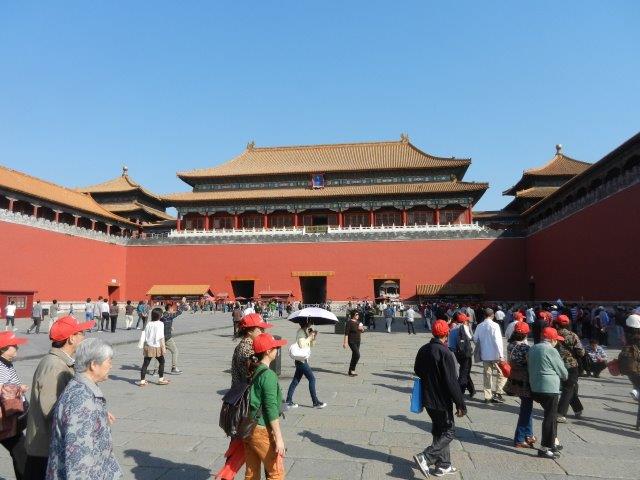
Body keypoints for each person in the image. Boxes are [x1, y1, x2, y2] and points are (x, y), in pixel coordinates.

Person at [24, 315, 94, 480]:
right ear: (71, 338)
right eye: (81, 333)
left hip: (50, 445)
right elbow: (52, 410)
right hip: (44, 448)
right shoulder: (55, 366)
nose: (84, 337)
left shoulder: (62, 362)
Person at [46, 338, 121, 479]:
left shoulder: (81, 388)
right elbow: (78, 458)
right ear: (93, 365)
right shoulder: (82, 400)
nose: (111, 366)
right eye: (109, 361)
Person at [413, 320, 466, 478]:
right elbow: (451, 381)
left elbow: (417, 369)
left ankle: (443, 465)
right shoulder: (445, 352)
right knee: (449, 431)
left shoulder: (424, 349)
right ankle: (426, 456)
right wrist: (460, 403)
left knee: (439, 430)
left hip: (427, 397)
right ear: (447, 333)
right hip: (441, 400)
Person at [244, 333, 287, 480]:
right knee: (276, 473)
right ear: (268, 351)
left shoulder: (254, 370)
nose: (278, 350)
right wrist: (279, 438)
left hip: (249, 426)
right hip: (261, 428)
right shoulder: (268, 375)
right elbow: (270, 408)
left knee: (252, 473)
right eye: (276, 348)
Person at [528, 327, 568, 459]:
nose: (557, 342)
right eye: (556, 340)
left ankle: (552, 443)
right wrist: (565, 376)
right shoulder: (551, 350)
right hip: (549, 388)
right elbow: (562, 371)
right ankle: (544, 448)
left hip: (535, 386)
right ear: (552, 340)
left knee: (551, 415)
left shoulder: (533, 348)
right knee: (550, 418)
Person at [0, 331, 29, 479]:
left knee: (20, 452)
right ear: (4, 348)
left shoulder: (6, 363)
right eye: (14, 345)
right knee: (20, 452)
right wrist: (18, 389)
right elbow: (1, 389)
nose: (17, 347)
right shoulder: (1, 367)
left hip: (9, 419)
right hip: (6, 420)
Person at [504, 322, 535, 448]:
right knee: (526, 409)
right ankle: (520, 438)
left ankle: (529, 434)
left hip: (514, 379)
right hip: (524, 380)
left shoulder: (510, 345)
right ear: (526, 334)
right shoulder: (525, 348)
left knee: (527, 407)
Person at [285, 320, 326, 409]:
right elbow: (302, 345)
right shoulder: (300, 332)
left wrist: (313, 337)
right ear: (306, 323)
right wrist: (309, 337)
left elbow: (311, 345)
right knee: (312, 379)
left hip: (302, 360)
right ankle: (315, 402)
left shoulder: (305, 332)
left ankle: (288, 400)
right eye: (310, 322)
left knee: (295, 381)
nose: (311, 324)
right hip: (301, 361)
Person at [554, 314, 585, 423]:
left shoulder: (553, 334)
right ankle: (560, 413)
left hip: (556, 365)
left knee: (568, 387)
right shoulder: (572, 335)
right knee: (568, 388)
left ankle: (577, 408)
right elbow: (581, 352)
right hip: (571, 365)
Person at [473, 308, 506, 404]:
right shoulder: (495, 325)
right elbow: (498, 341)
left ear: (484, 315)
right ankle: (498, 392)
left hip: (485, 354)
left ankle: (487, 396)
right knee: (502, 373)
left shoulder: (479, 326)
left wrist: (481, 345)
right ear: (493, 315)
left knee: (487, 375)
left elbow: (475, 338)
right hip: (495, 354)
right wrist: (501, 354)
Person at [137, 308, 170, 386]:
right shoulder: (160, 324)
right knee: (162, 362)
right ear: (160, 315)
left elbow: (145, 334)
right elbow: (161, 337)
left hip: (148, 346)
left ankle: (142, 381)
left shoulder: (149, 323)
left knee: (145, 364)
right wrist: (163, 348)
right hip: (156, 346)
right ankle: (161, 379)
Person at [151, 304, 182, 375]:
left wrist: (169, 327)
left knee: (159, 354)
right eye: (172, 309)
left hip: (159, 338)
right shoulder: (169, 315)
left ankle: (155, 370)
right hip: (167, 338)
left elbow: (162, 324)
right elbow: (179, 312)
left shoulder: (161, 316)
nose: (173, 310)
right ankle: (174, 368)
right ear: (169, 308)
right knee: (175, 351)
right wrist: (181, 304)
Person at [449, 313, 475, 398]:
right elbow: (471, 338)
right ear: (464, 321)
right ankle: (460, 391)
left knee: (464, 371)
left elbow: (451, 344)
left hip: (457, 353)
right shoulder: (464, 328)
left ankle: (472, 390)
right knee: (464, 372)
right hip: (466, 354)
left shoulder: (452, 329)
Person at [618, 313, 640, 401]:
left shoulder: (626, 335)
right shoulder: (638, 337)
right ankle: (637, 391)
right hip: (637, 366)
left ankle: (636, 391)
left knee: (636, 383)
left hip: (628, 367)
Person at [343, 310, 364, 376]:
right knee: (357, 355)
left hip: (358, 341)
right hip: (351, 341)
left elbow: (362, 331)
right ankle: (352, 369)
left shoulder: (359, 322)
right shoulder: (349, 322)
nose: (358, 315)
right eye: (356, 314)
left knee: (354, 355)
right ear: (353, 315)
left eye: (358, 314)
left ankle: (351, 371)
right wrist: (345, 342)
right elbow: (346, 333)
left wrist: (362, 329)